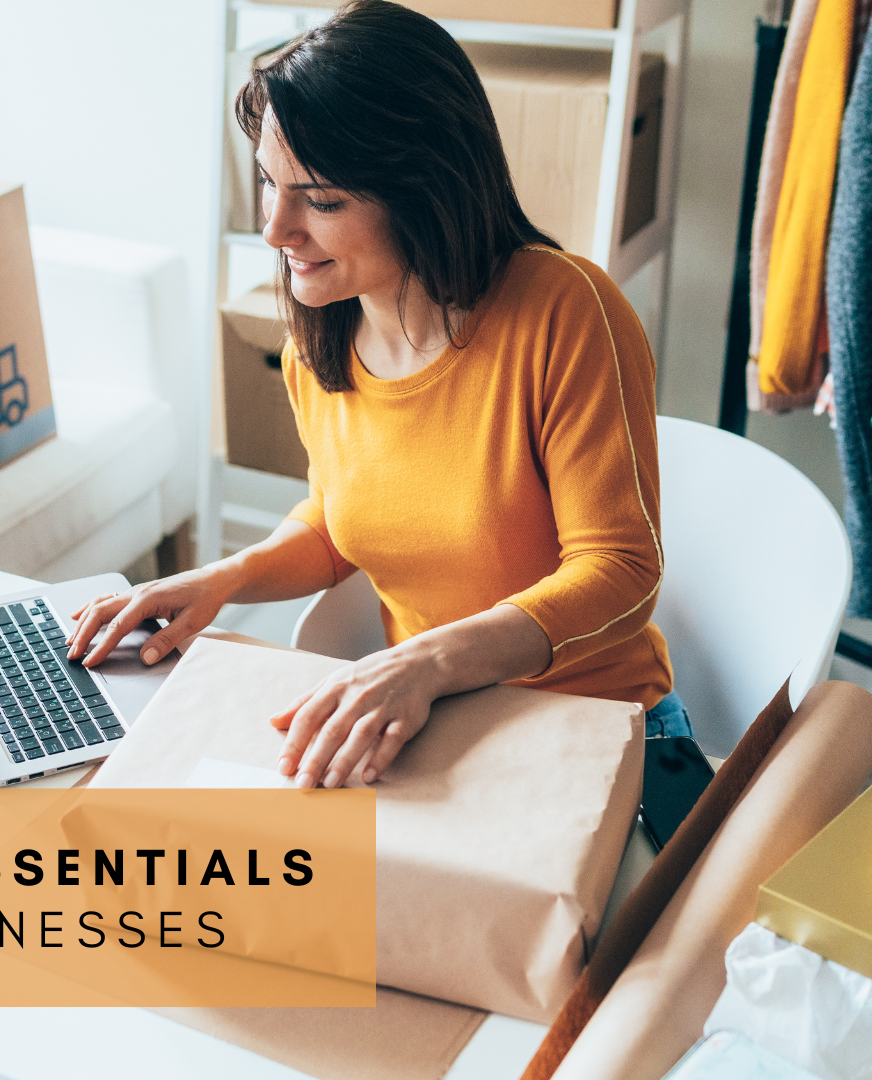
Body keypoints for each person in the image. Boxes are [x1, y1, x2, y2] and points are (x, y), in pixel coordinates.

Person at [68, 0, 675, 789]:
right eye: (269, 183)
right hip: (439, 720)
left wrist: (423, 662)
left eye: (320, 200)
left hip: (594, 726)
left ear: (426, 191)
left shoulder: (564, 311)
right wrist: (225, 579)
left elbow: (622, 571)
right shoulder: (315, 348)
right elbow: (339, 521)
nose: (276, 229)